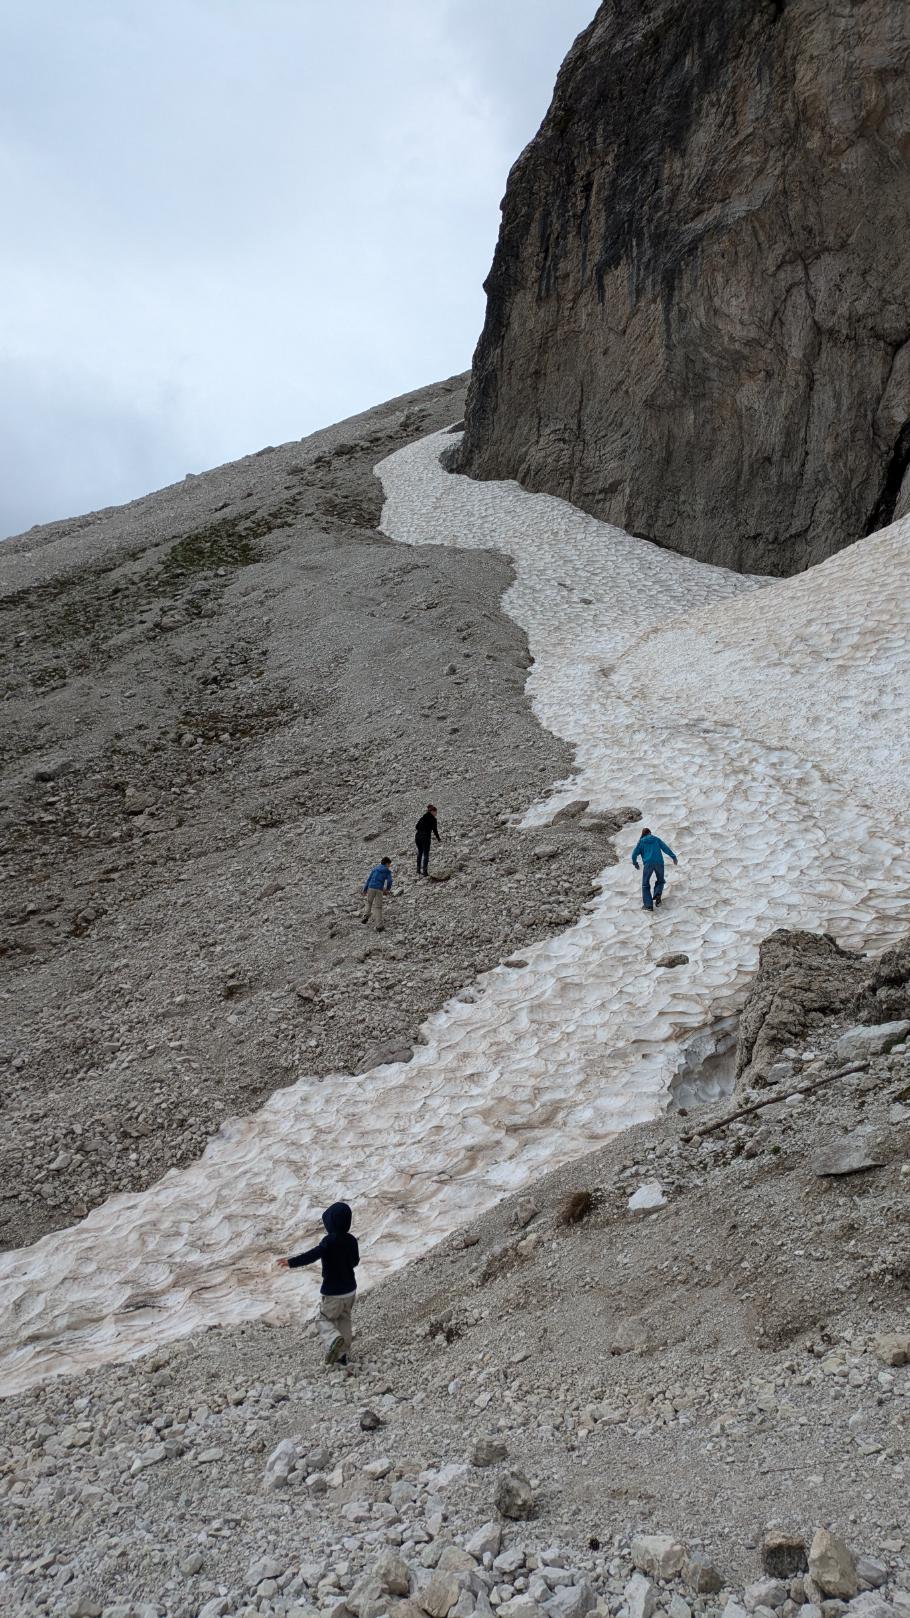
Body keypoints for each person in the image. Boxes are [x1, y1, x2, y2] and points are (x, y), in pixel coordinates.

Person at [276, 1201, 359, 1365]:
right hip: (350, 1290)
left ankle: (334, 1340)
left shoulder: (328, 1242)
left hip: (333, 1292)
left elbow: (312, 1255)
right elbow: (355, 1261)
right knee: (344, 1319)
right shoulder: (351, 1240)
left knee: (323, 1320)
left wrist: (291, 1262)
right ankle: (343, 1355)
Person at [631, 826, 679, 911]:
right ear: (650, 832)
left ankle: (648, 906)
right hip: (659, 863)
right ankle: (657, 894)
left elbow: (634, 854)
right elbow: (665, 848)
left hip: (648, 864)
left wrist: (635, 863)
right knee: (660, 880)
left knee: (645, 884)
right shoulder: (656, 839)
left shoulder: (641, 842)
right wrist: (673, 857)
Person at [362, 856, 393, 930]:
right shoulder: (387, 871)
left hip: (371, 887)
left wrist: (365, 889)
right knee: (378, 907)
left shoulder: (375, 869)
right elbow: (390, 881)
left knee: (369, 902)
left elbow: (369, 879)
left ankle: (366, 916)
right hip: (379, 889)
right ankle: (379, 926)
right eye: (389, 864)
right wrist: (387, 889)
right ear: (387, 863)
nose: (389, 866)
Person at [415, 803, 441, 876]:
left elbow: (416, 827)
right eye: (436, 812)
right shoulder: (433, 819)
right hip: (426, 837)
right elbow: (435, 830)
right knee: (426, 854)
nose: (436, 813)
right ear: (432, 811)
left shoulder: (422, 818)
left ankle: (418, 869)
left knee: (420, 852)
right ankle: (425, 872)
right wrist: (438, 838)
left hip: (417, 837)